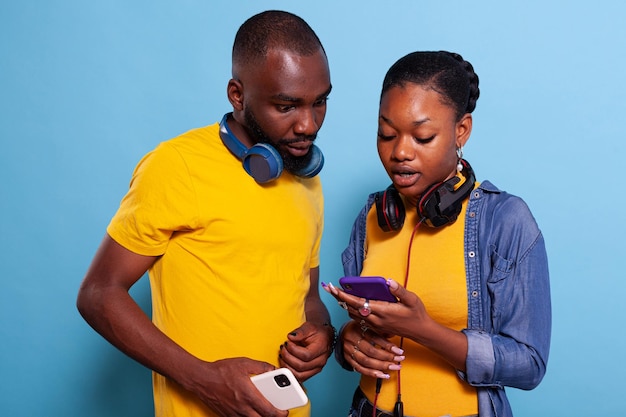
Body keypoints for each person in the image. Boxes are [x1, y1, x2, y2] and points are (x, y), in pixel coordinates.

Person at [77, 10, 336, 417]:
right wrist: (205, 380)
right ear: (237, 95)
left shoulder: (306, 179)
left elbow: (306, 296)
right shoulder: (175, 166)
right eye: (286, 106)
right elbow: (98, 294)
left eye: (319, 102)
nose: (308, 124)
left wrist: (322, 334)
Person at [323, 51, 551, 417]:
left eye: (423, 136)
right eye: (386, 134)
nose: (400, 152)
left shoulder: (506, 220)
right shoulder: (371, 216)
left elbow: (530, 363)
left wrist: (424, 330)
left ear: (461, 130)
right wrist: (348, 342)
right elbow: (360, 328)